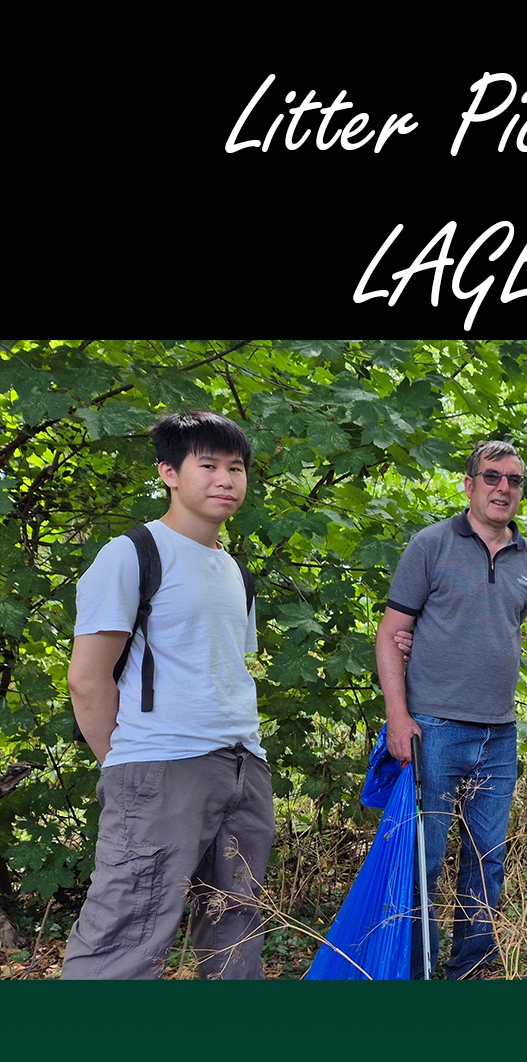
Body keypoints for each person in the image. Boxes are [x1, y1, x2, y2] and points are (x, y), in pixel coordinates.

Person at [62, 410, 275, 979]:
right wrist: (126, 766)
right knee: (127, 933)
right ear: (169, 473)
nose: (225, 479)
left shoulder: (234, 571)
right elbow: (87, 677)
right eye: (207, 465)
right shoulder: (133, 553)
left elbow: (224, 669)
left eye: (235, 467)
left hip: (242, 766)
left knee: (235, 932)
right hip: (160, 767)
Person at [374, 440, 527, 980]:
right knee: (424, 858)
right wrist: (399, 719)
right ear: (469, 484)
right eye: (491, 477)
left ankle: (471, 967)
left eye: (513, 480)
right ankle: (417, 968)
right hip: (434, 728)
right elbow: (391, 634)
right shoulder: (431, 545)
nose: (503, 488)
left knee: (487, 857)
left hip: (499, 732)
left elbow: (499, 629)